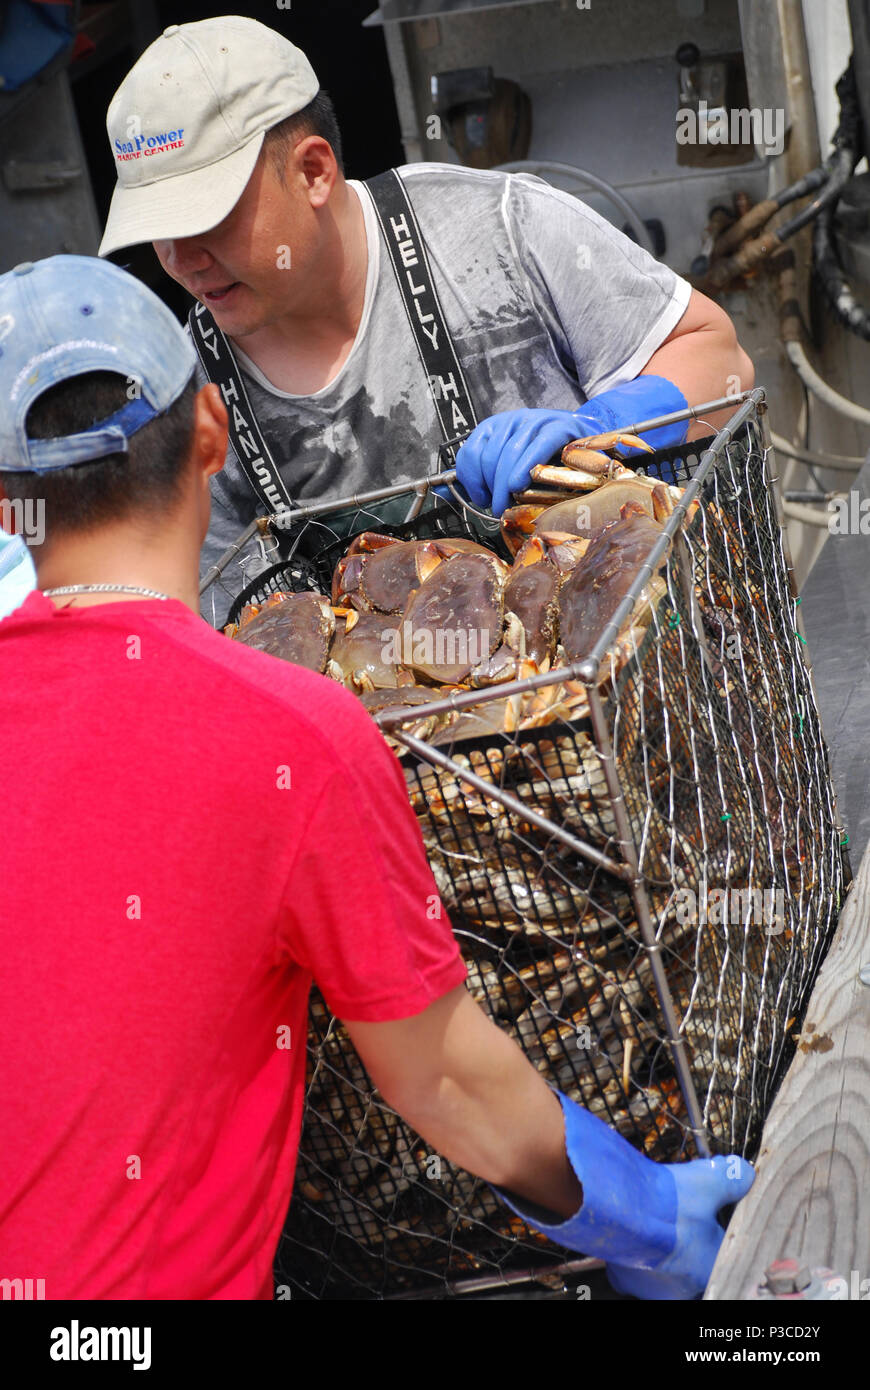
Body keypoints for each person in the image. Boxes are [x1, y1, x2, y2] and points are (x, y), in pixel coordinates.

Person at [0, 254, 753, 1301]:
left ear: (7, 511)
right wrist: (652, 1218)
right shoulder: (288, 731)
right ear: (211, 433)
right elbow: (444, 1080)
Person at [97, 16, 755, 620]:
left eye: (207, 219)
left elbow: (720, 358)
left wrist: (600, 428)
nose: (183, 261)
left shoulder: (496, 228)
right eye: (158, 232)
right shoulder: (196, 404)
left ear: (314, 172)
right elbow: (212, 628)